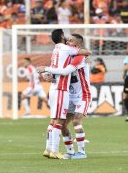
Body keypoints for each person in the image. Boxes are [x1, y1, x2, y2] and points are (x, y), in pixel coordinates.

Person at [36, 29, 91, 159]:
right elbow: (56, 69)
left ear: (78, 45)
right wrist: (47, 75)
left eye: (71, 40)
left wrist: (47, 69)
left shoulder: (79, 57)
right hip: (68, 94)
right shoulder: (65, 54)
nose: (68, 41)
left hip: (82, 94)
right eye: (67, 39)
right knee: (63, 125)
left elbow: (66, 71)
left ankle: (81, 152)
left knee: (76, 120)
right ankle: (70, 151)